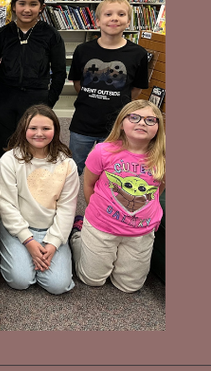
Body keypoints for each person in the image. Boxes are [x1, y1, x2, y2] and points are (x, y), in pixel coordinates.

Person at [70, 100, 165, 293]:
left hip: (140, 231)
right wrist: (96, 213)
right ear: (122, 123)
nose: (142, 123)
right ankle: (78, 236)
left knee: (129, 286)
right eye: (134, 117)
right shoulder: (103, 151)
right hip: (102, 227)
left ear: (158, 127)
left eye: (150, 120)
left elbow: (157, 190)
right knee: (91, 279)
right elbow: (88, 184)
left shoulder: (164, 156)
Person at [0, 104, 79, 296]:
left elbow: (67, 208)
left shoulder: (67, 164)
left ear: (55, 131)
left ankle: (72, 242)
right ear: (23, 130)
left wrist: (53, 243)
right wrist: (29, 242)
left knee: (58, 285)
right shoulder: (9, 160)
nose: (39, 133)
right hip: (18, 230)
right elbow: (7, 205)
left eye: (46, 128)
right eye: (33, 128)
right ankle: (7, 248)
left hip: (53, 229)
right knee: (20, 280)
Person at [67, 0, 150, 179]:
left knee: (111, 172)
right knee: (72, 170)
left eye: (121, 14)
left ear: (128, 21)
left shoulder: (138, 54)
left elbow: (135, 89)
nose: (114, 18)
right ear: (97, 21)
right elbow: (78, 84)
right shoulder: (83, 50)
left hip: (117, 125)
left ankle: (103, 206)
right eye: (108, 14)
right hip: (83, 122)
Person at [0, 0, 66, 164]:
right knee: (4, 149)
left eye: (33, 4)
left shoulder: (51, 35)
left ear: (41, 7)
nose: (27, 9)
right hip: (4, 99)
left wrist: (48, 101)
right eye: (22, 3)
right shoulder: (2, 35)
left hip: (36, 99)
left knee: (33, 149)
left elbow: (60, 72)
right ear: (14, 6)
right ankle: (3, 190)